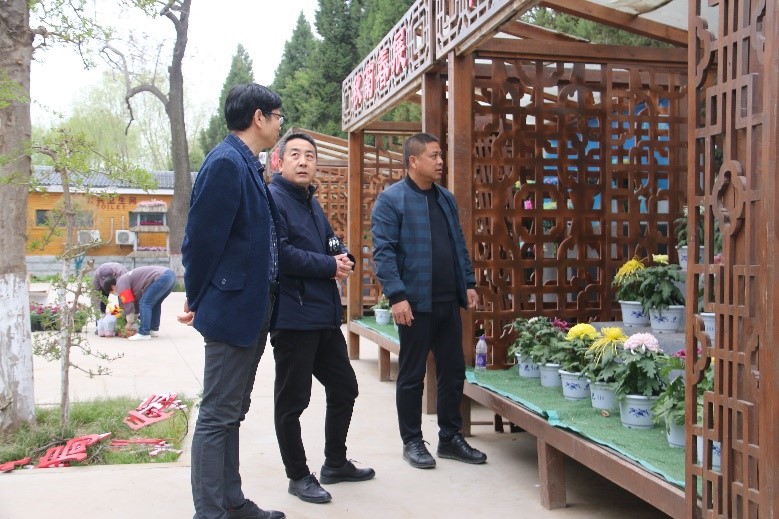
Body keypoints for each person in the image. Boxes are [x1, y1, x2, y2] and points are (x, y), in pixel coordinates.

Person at [179, 83, 285, 519]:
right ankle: (211, 511)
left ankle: (232, 502)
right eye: (277, 116)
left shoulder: (247, 164)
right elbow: (199, 243)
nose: (280, 123)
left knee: (232, 412)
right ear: (259, 117)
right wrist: (197, 298)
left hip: (253, 307)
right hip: (232, 308)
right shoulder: (226, 163)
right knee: (217, 414)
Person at [268, 133, 375, 504]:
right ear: (279, 161)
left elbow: (330, 242)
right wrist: (329, 266)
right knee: (292, 402)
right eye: (295, 154)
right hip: (293, 318)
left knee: (345, 387)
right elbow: (281, 255)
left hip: (324, 317)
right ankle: (298, 476)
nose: (303, 162)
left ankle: (335, 463)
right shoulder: (273, 199)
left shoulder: (310, 201)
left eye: (310, 156)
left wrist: (343, 256)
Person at [371, 132, 487, 469]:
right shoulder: (391, 200)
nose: (440, 162)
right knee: (412, 373)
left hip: (448, 300)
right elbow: (384, 253)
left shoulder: (445, 198)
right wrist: (397, 296)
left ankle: (450, 437)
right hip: (414, 304)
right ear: (413, 161)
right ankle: (412, 441)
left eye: (440, 155)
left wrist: (468, 282)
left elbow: (458, 243)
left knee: (453, 370)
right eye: (433, 156)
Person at [105, 265, 176, 341]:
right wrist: (134, 317)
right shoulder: (126, 279)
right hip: (170, 276)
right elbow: (134, 302)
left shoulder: (120, 284)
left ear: (112, 286)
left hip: (162, 277)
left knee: (144, 303)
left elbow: (128, 303)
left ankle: (144, 333)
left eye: (111, 292)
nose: (114, 294)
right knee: (155, 303)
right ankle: (153, 330)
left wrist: (129, 322)